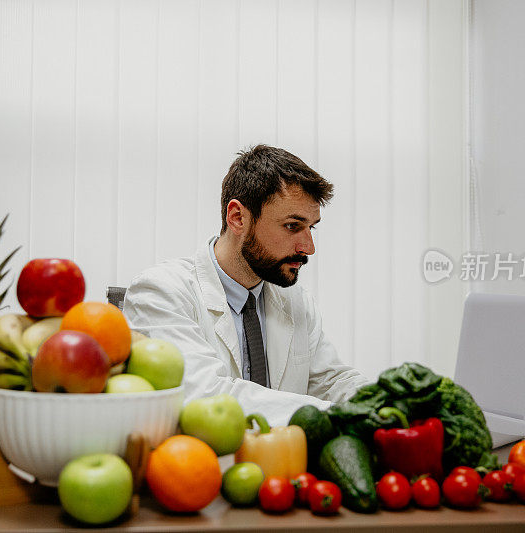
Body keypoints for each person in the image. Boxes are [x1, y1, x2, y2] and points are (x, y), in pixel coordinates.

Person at [123, 145, 371, 425]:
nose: (308, 247)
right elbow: (208, 398)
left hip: (282, 466)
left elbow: (330, 381)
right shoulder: (160, 292)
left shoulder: (295, 301)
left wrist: (384, 404)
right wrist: (336, 416)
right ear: (238, 217)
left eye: (310, 228)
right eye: (292, 226)